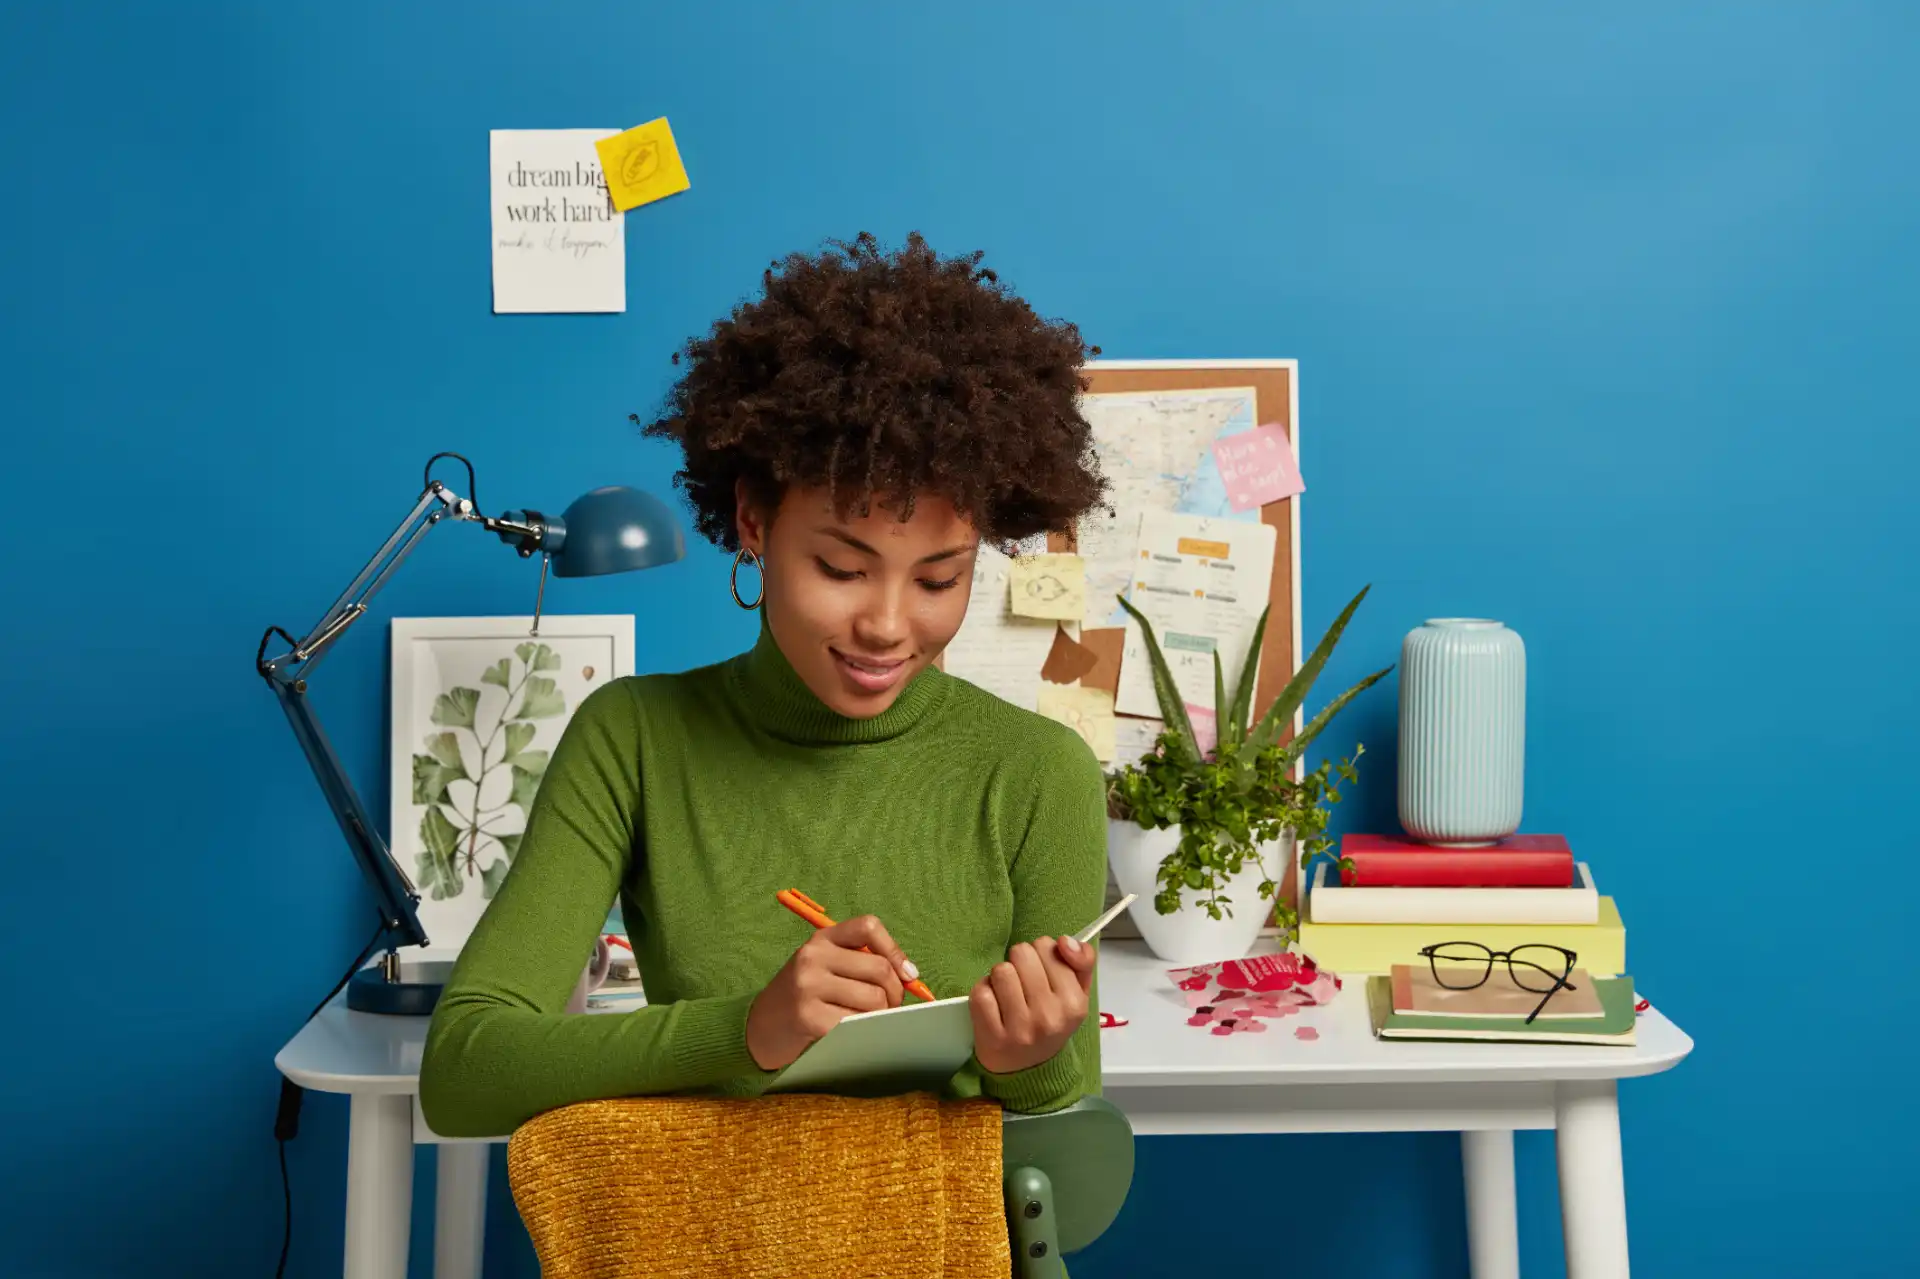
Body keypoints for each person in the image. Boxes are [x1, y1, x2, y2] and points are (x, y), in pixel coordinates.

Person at [419, 232, 1112, 1138]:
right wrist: (749, 1029)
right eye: (841, 566)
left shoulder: (1039, 771)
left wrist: (1023, 1059)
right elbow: (464, 1072)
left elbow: (1061, 1129)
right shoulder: (634, 739)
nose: (890, 625)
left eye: (941, 578)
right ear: (753, 520)